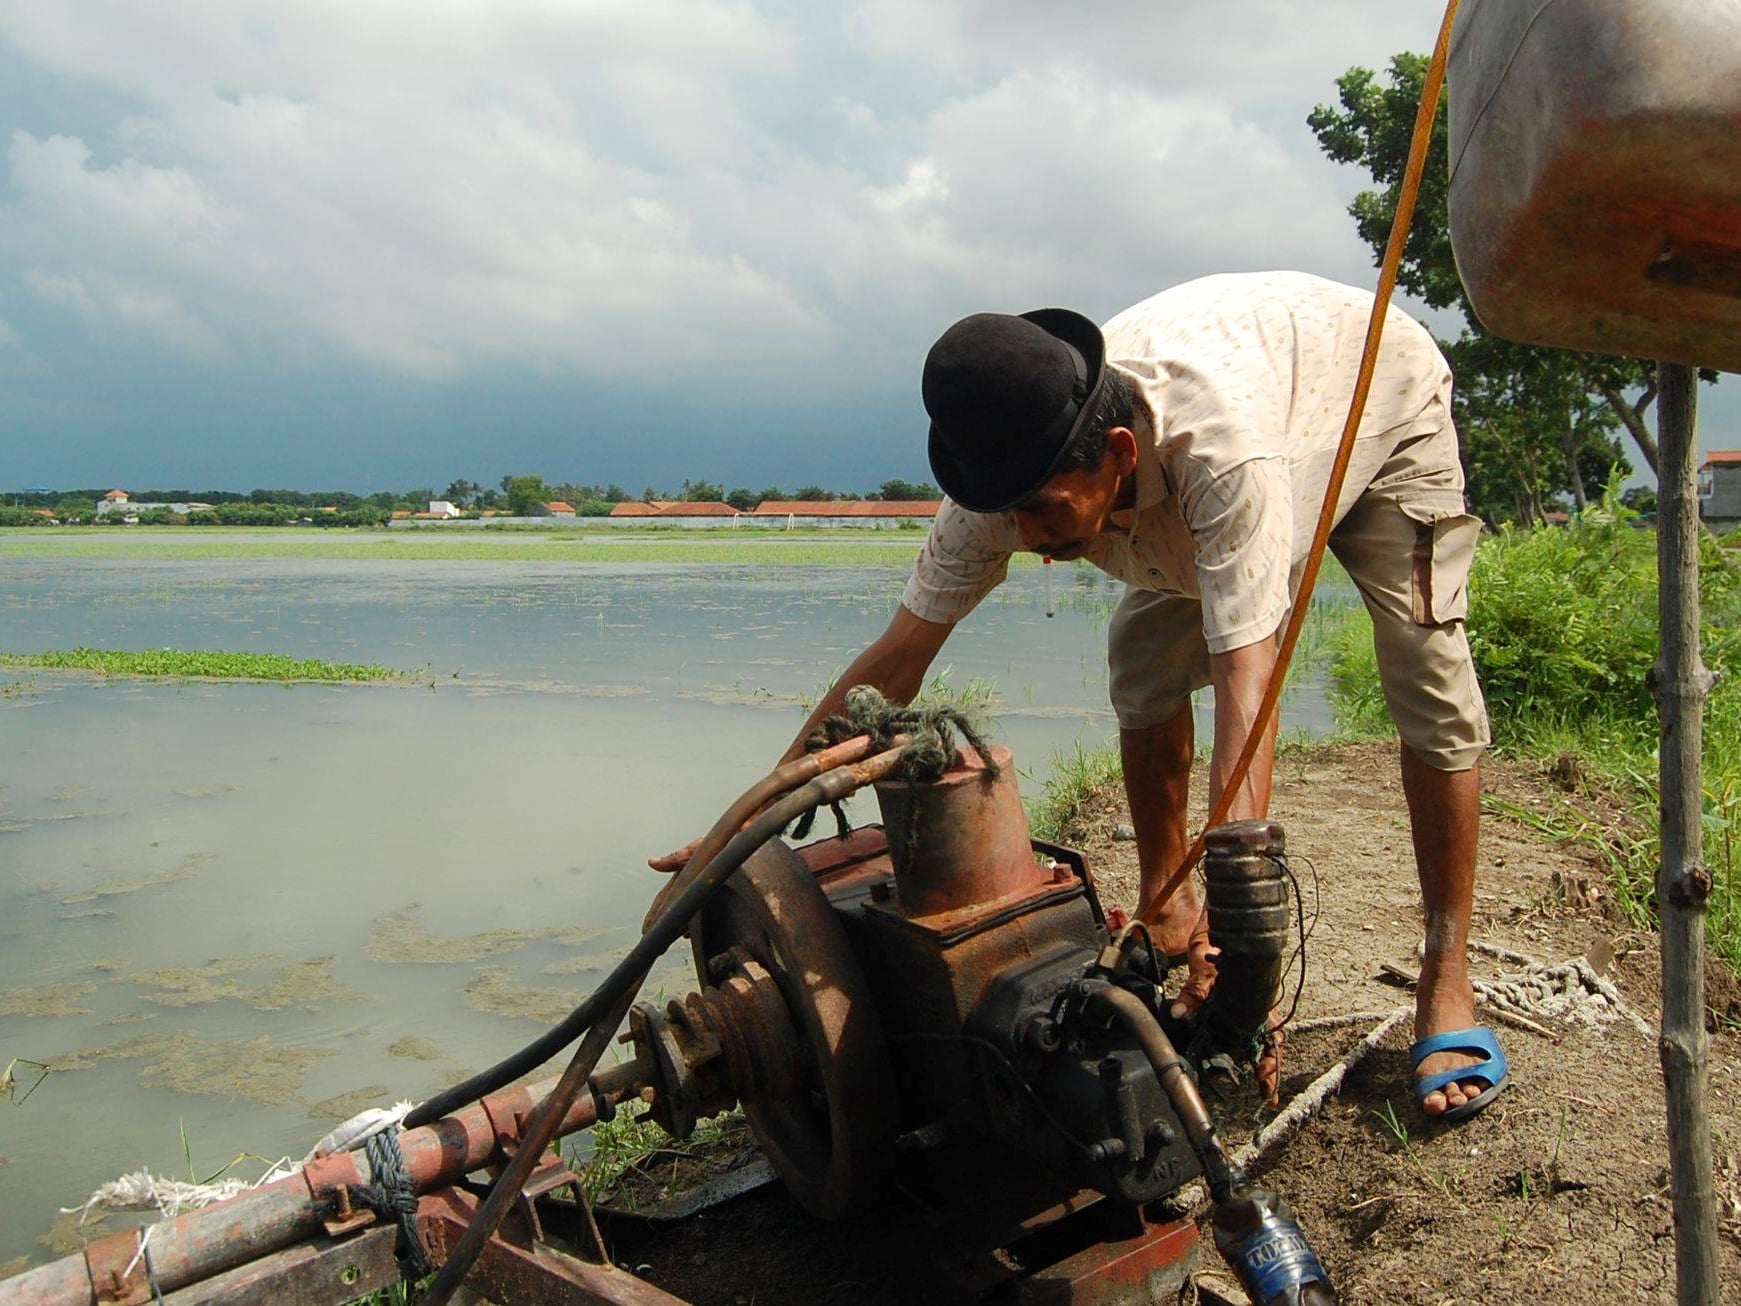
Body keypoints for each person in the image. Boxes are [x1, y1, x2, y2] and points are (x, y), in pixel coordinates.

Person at [785, 270, 1508, 1121]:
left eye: (1047, 514)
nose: (1028, 542)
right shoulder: (1005, 477)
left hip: (1369, 402)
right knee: (1141, 661)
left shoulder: (1220, 454)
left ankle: (1445, 973)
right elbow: (900, 656)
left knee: (1425, 672)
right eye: (1011, 517)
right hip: (1236, 445)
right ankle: (1169, 911)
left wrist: (1246, 928)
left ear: (1119, 455)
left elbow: (1249, 682)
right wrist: (763, 813)